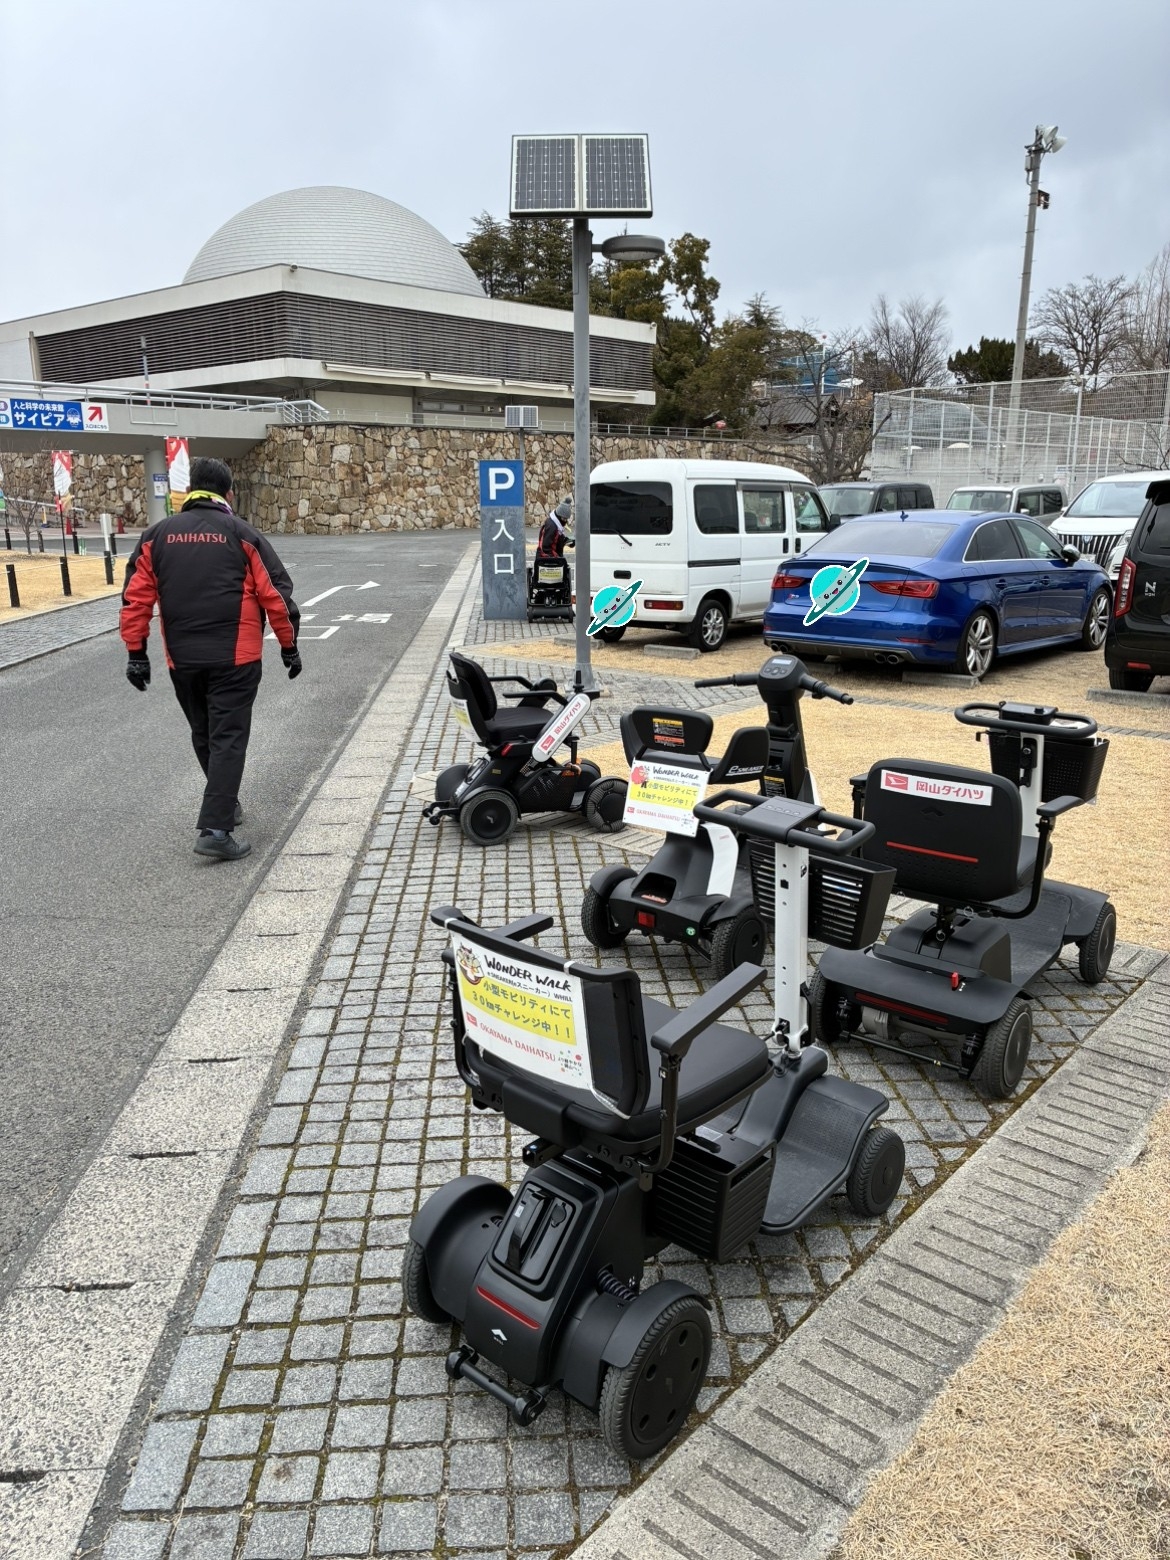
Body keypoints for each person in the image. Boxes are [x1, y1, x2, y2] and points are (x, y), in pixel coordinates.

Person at [119, 456, 301, 862]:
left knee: (204, 732)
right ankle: (215, 828)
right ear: (228, 493)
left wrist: (136, 653)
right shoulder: (242, 534)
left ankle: (224, 803)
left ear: (191, 490)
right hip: (236, 657)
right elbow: (276, 595)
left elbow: (135, 599)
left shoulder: (157, 535)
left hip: (182, 659)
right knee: (229, 737)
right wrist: (289, 646)